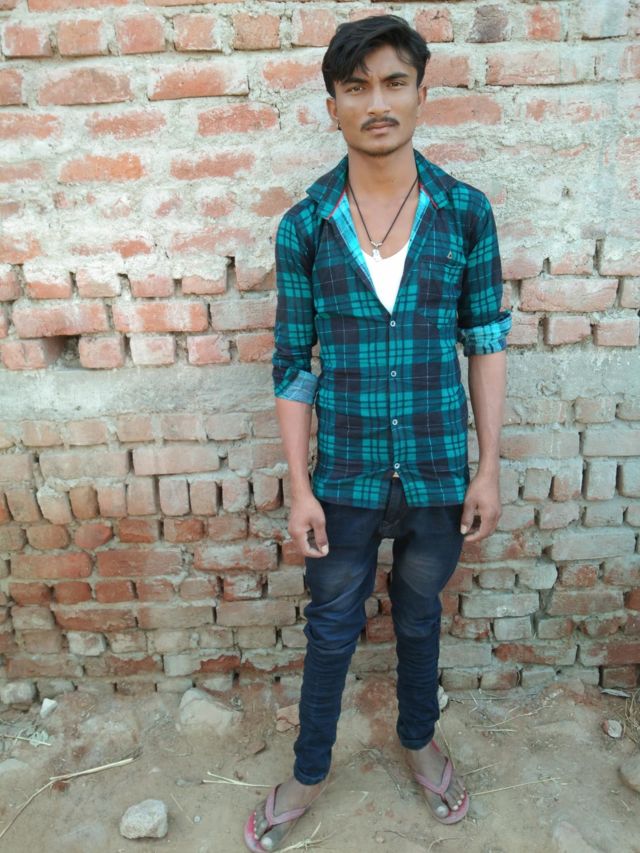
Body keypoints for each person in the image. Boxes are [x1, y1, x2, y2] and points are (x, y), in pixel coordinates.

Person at [244, 14, 511, 853]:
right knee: (331, 625)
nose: (377, 102)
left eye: (395, 82)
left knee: (421, 615)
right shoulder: (306, 225)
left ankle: (419, 741)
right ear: (333, 106)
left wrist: (488, 467)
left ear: (422, 93)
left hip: (437, 470)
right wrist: (299, 487)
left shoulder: (465, 214)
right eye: (356, 87)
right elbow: (293, 362)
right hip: (346, 477)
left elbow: (486, 341)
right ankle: (309, 771)